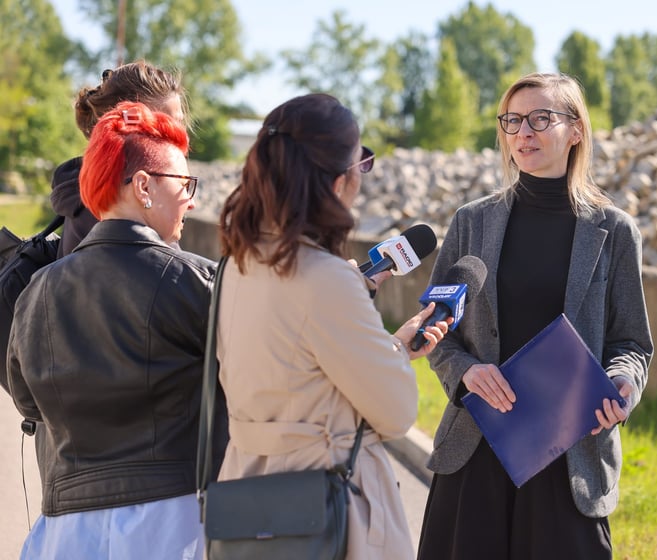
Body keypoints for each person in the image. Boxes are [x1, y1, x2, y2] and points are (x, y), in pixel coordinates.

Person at [416, 72, 654, 560]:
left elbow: (631, 343)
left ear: (576, 130)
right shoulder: (470, 222)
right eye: (512, 120)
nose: (523, 132)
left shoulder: (615, 232)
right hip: (475, 451)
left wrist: (622, 381)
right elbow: (435, 330)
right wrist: (467, 372)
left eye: (541, 118)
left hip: (570, 458)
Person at [214, 92, 450, 560]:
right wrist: (394, 350)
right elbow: (397, 411)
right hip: (322, 507)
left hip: (246, 499)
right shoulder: (326, 279)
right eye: (363, 163)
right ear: (340, 180)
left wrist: (382, 339)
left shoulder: (237, 265)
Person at [6, 101, 226, 559]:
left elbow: (28, 403)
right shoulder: (197, 282)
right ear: (143, 186)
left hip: (63, 531)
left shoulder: (36, 291)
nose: (191, 199)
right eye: (185, 184)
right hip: (173, 524)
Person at [51, 60, 187, 257]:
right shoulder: (118, 209)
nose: (179, 135)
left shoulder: (94, 195)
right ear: (122, 126)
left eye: (179, 124)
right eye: (162, 125)